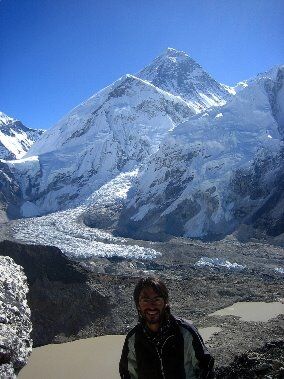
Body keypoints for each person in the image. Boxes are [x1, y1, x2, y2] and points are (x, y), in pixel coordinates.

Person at [119, 276, 214, 379]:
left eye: (157, 299)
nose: (151, 306)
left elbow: (206, 368)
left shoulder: (185, 332)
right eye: (146, 300)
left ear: (165, 302)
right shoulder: (133, 339)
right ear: (138, 304)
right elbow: (128, 374)